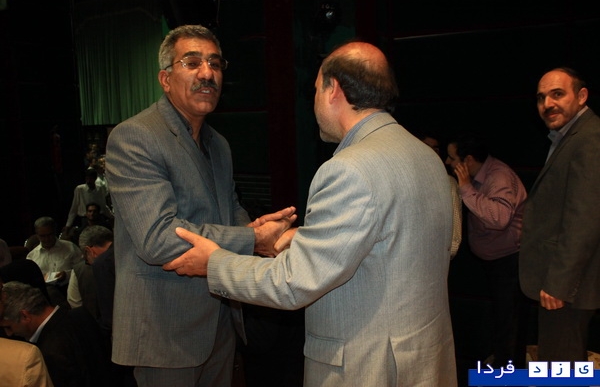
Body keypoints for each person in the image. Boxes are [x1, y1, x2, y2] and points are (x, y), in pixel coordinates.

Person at [163, 40, 457, 387]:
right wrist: (300, 239)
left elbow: (292, 283)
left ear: (334, 90)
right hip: (423, 360)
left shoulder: (348, 169)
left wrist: (214, 263)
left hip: (367, 369)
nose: (314, 101)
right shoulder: (426, 156)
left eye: (316, 90)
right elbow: (397, 242)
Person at [105, 24, 295, 387]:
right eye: (192, 63)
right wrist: (254, 240)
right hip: (165, 331)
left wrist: (255, 229)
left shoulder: (218, 143)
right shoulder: (135, 136)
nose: (207, 73)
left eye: (215, 64)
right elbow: (158, 238)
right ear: (165, 79)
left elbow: (230, 210)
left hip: (221, 322)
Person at [520, 67, 600, 362]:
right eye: (541, 98)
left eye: (557, 94)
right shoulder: (570, 136)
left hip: (567, 288)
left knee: (558, 369)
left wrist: (559, 284)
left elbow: (584, 220)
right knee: (562, 365)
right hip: (565, 284)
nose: (547, 104)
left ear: (581, 96)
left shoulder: (589, 139)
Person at [445, 133, 529, 368]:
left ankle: (508, 373)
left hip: (509, 262)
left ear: (468, 160)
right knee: (500, 319)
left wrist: (465, 188)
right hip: (494, 262)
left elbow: (499, 219)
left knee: (508, 323)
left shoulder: (498, 176)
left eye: (453, 158)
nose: (448, 162)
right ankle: (502, 363)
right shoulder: (480, 175)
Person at [0, 281, 88, 387]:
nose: (9, 334)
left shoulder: (47, 355)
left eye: (8, 327)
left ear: (25, 316)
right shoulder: (81, 314)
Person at [419, 132, 463, 258]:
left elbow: (454, 240)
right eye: (426, 146)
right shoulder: (404, 179)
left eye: (435, 149)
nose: (431, 152)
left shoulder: (447, 183)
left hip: (433, 259)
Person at [26, 217, 83, 290]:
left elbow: (82, 269)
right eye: (42, 236)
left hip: (68, 289)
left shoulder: (70, 247)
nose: (47, 239)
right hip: (43, 292)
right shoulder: (31, 256)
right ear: (37, 235)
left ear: (55, 232)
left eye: (49, 235)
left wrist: (66, 275)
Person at [62, 167, 112, 236]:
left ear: (95, 179)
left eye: (91, 179)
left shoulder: (99, 188)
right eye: (87, 178)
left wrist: (111, 217)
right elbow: (74, 208)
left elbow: (103, 206)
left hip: (98, 218)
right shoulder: (80, 189)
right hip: (85, 220)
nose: (88, 181)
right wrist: (68, 225)